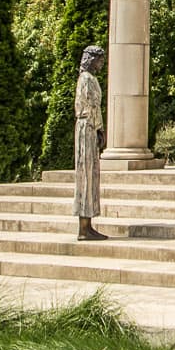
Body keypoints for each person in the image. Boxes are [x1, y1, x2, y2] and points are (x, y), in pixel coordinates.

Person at [74, 46, 108, 240]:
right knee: (85, 176)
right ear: (91, 60)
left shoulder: (91, 79)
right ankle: (83, 228)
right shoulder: (86, 79)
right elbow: (89, 106)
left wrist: (99, 129)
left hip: (91, 128)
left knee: (91, 175)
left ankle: (87, 225)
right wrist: (98, 128)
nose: (101, 64)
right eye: (99, 60)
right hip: (86, 128)